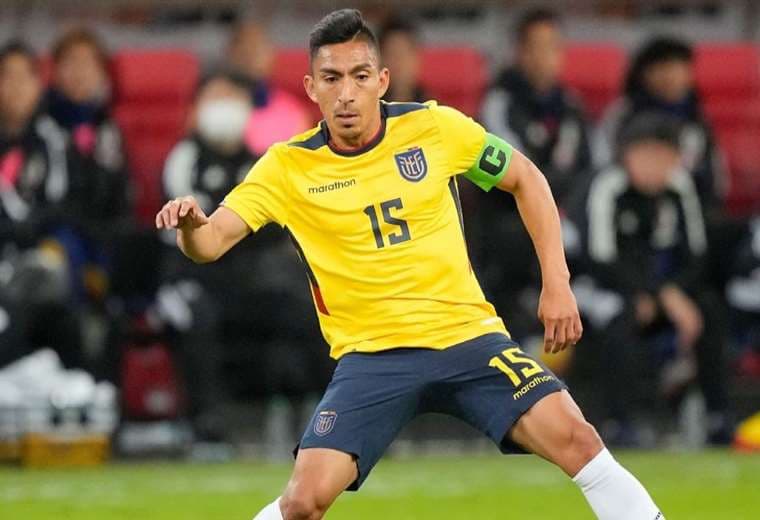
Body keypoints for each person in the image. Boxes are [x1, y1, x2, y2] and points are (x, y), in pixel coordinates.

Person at [156, 9, 662, 520]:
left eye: (359, 76)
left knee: (578, 439)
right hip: (372, 358)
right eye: (332, 78)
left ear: (382, 80)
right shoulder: (287, 167)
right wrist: (192, 226)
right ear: (312, 87)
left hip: (468, 339)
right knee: (304, 502)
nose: (347, 93)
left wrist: (557, 283)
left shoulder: (433, 128)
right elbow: (213, 242)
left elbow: (525, 179)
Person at [578, 112, 730, 445]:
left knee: (709, 310)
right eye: (645, 155)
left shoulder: (680, 188)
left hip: (661, 291)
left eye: (664, 157)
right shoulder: (607, 186)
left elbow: (696, 255)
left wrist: (670, 293)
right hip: (603, 288)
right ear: (626, 155)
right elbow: (601, 257)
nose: (654, 166)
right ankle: (618, 421)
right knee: (620, 316)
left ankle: (718, 416)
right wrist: (654, 293)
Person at [0, 41, 82, 368]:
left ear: (39, 85)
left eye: (25, 77)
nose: (17, 87)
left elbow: (57, 206)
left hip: (35, 254)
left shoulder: (53, 141)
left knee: (49, 278)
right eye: (7, 77)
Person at [595, 37, 724, 212]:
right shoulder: (623, 115)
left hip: (692, 213)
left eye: (679, 67)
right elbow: (603, 166)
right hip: (632, 214)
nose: (671, 75)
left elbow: (716, 178)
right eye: (663, 67)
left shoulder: (697, 119)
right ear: (644, 73)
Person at [481, 8, 591, 206]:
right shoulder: (497, 105)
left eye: (552, 47)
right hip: (509, 219)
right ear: (519, 52)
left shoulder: (571, 105)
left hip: (562, 217)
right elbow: (514, 174)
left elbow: (584, 169)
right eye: (534, 47)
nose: (542, 57)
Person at [227, 20, 312, 156]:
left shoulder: (293, 112)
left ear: (271, 55)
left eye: (258, 47)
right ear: (231, 54)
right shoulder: (212, 101)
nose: (251, 55)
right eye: (244, 48)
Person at [378, 16, 428, 104]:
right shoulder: (365, 111)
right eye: (391, 54)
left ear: (416, 58)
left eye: (403, 53)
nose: (398, 62)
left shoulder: (436, 113)